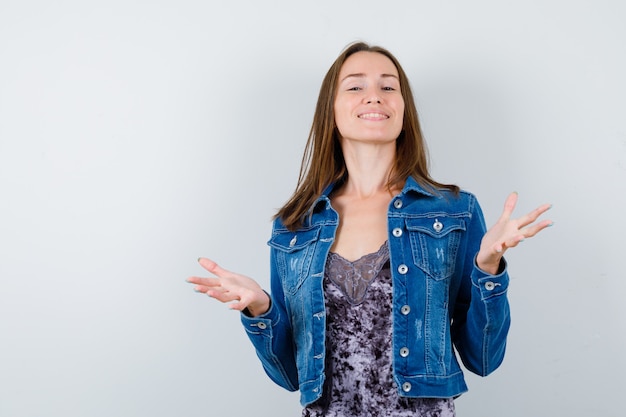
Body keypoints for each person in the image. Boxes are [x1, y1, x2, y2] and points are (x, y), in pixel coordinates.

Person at [187, 42, 552, 416]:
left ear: (404, 110)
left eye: (388, 87)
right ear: (331, 111)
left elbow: (484, 358)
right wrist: (260, 308)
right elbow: (291, 375)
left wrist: (488, 269)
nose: (374, 97)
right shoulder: (295, 225)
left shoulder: (454, 211)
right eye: (356, 87)